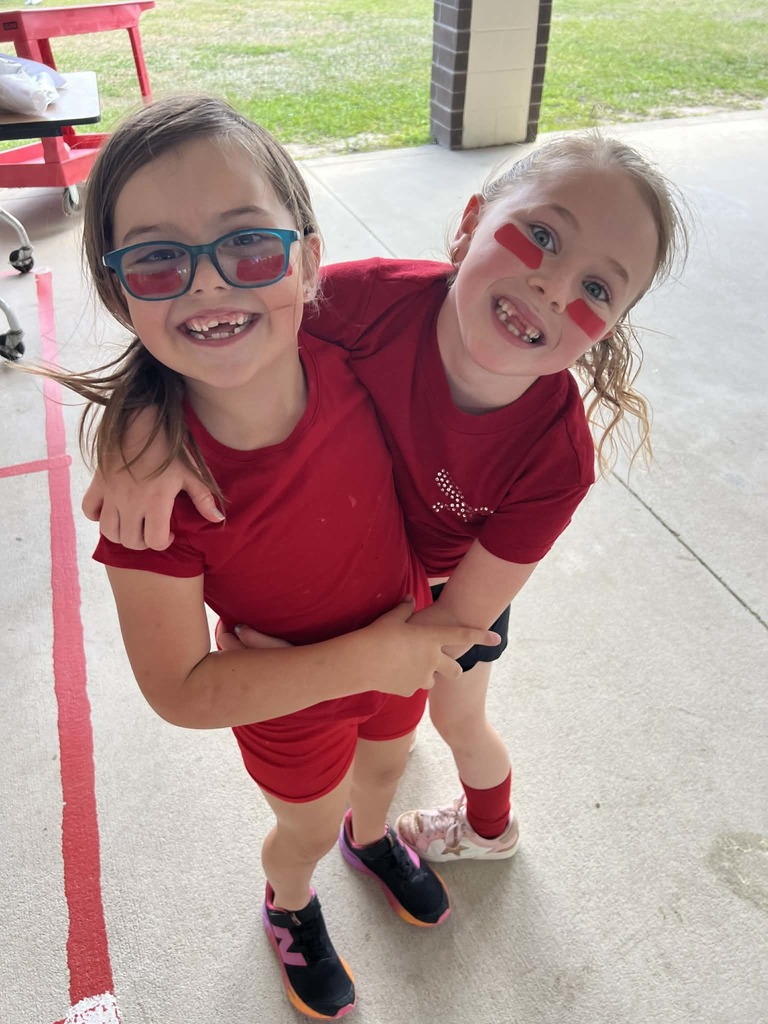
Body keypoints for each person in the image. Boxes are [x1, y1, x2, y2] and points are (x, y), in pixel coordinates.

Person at [83, 130, 688, 867]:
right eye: (541, 235)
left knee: (457, 716)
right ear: (469, 226)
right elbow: (227, 328)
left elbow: (452, 623)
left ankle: (490, 830)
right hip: (360, 563)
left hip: (445, 589)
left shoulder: (555, 457)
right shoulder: (358, 303)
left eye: (599, 288)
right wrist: (136, 421)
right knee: (388, 737)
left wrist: (357, 668)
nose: (555, 287)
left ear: (611, 327)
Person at [39, 95, 500, 1022]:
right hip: (285, 695)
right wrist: (136, 419)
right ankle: (291, 903)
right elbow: (180, 689)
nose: (209, 284)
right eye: (159, 257)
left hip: (400, 650)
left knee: (384, 769)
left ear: (310, 259)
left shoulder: (359, 352)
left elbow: (488, 312)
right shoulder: (156, 493)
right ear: (117, 287)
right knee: (300, 825)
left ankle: (372, 842)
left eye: (248, 244)